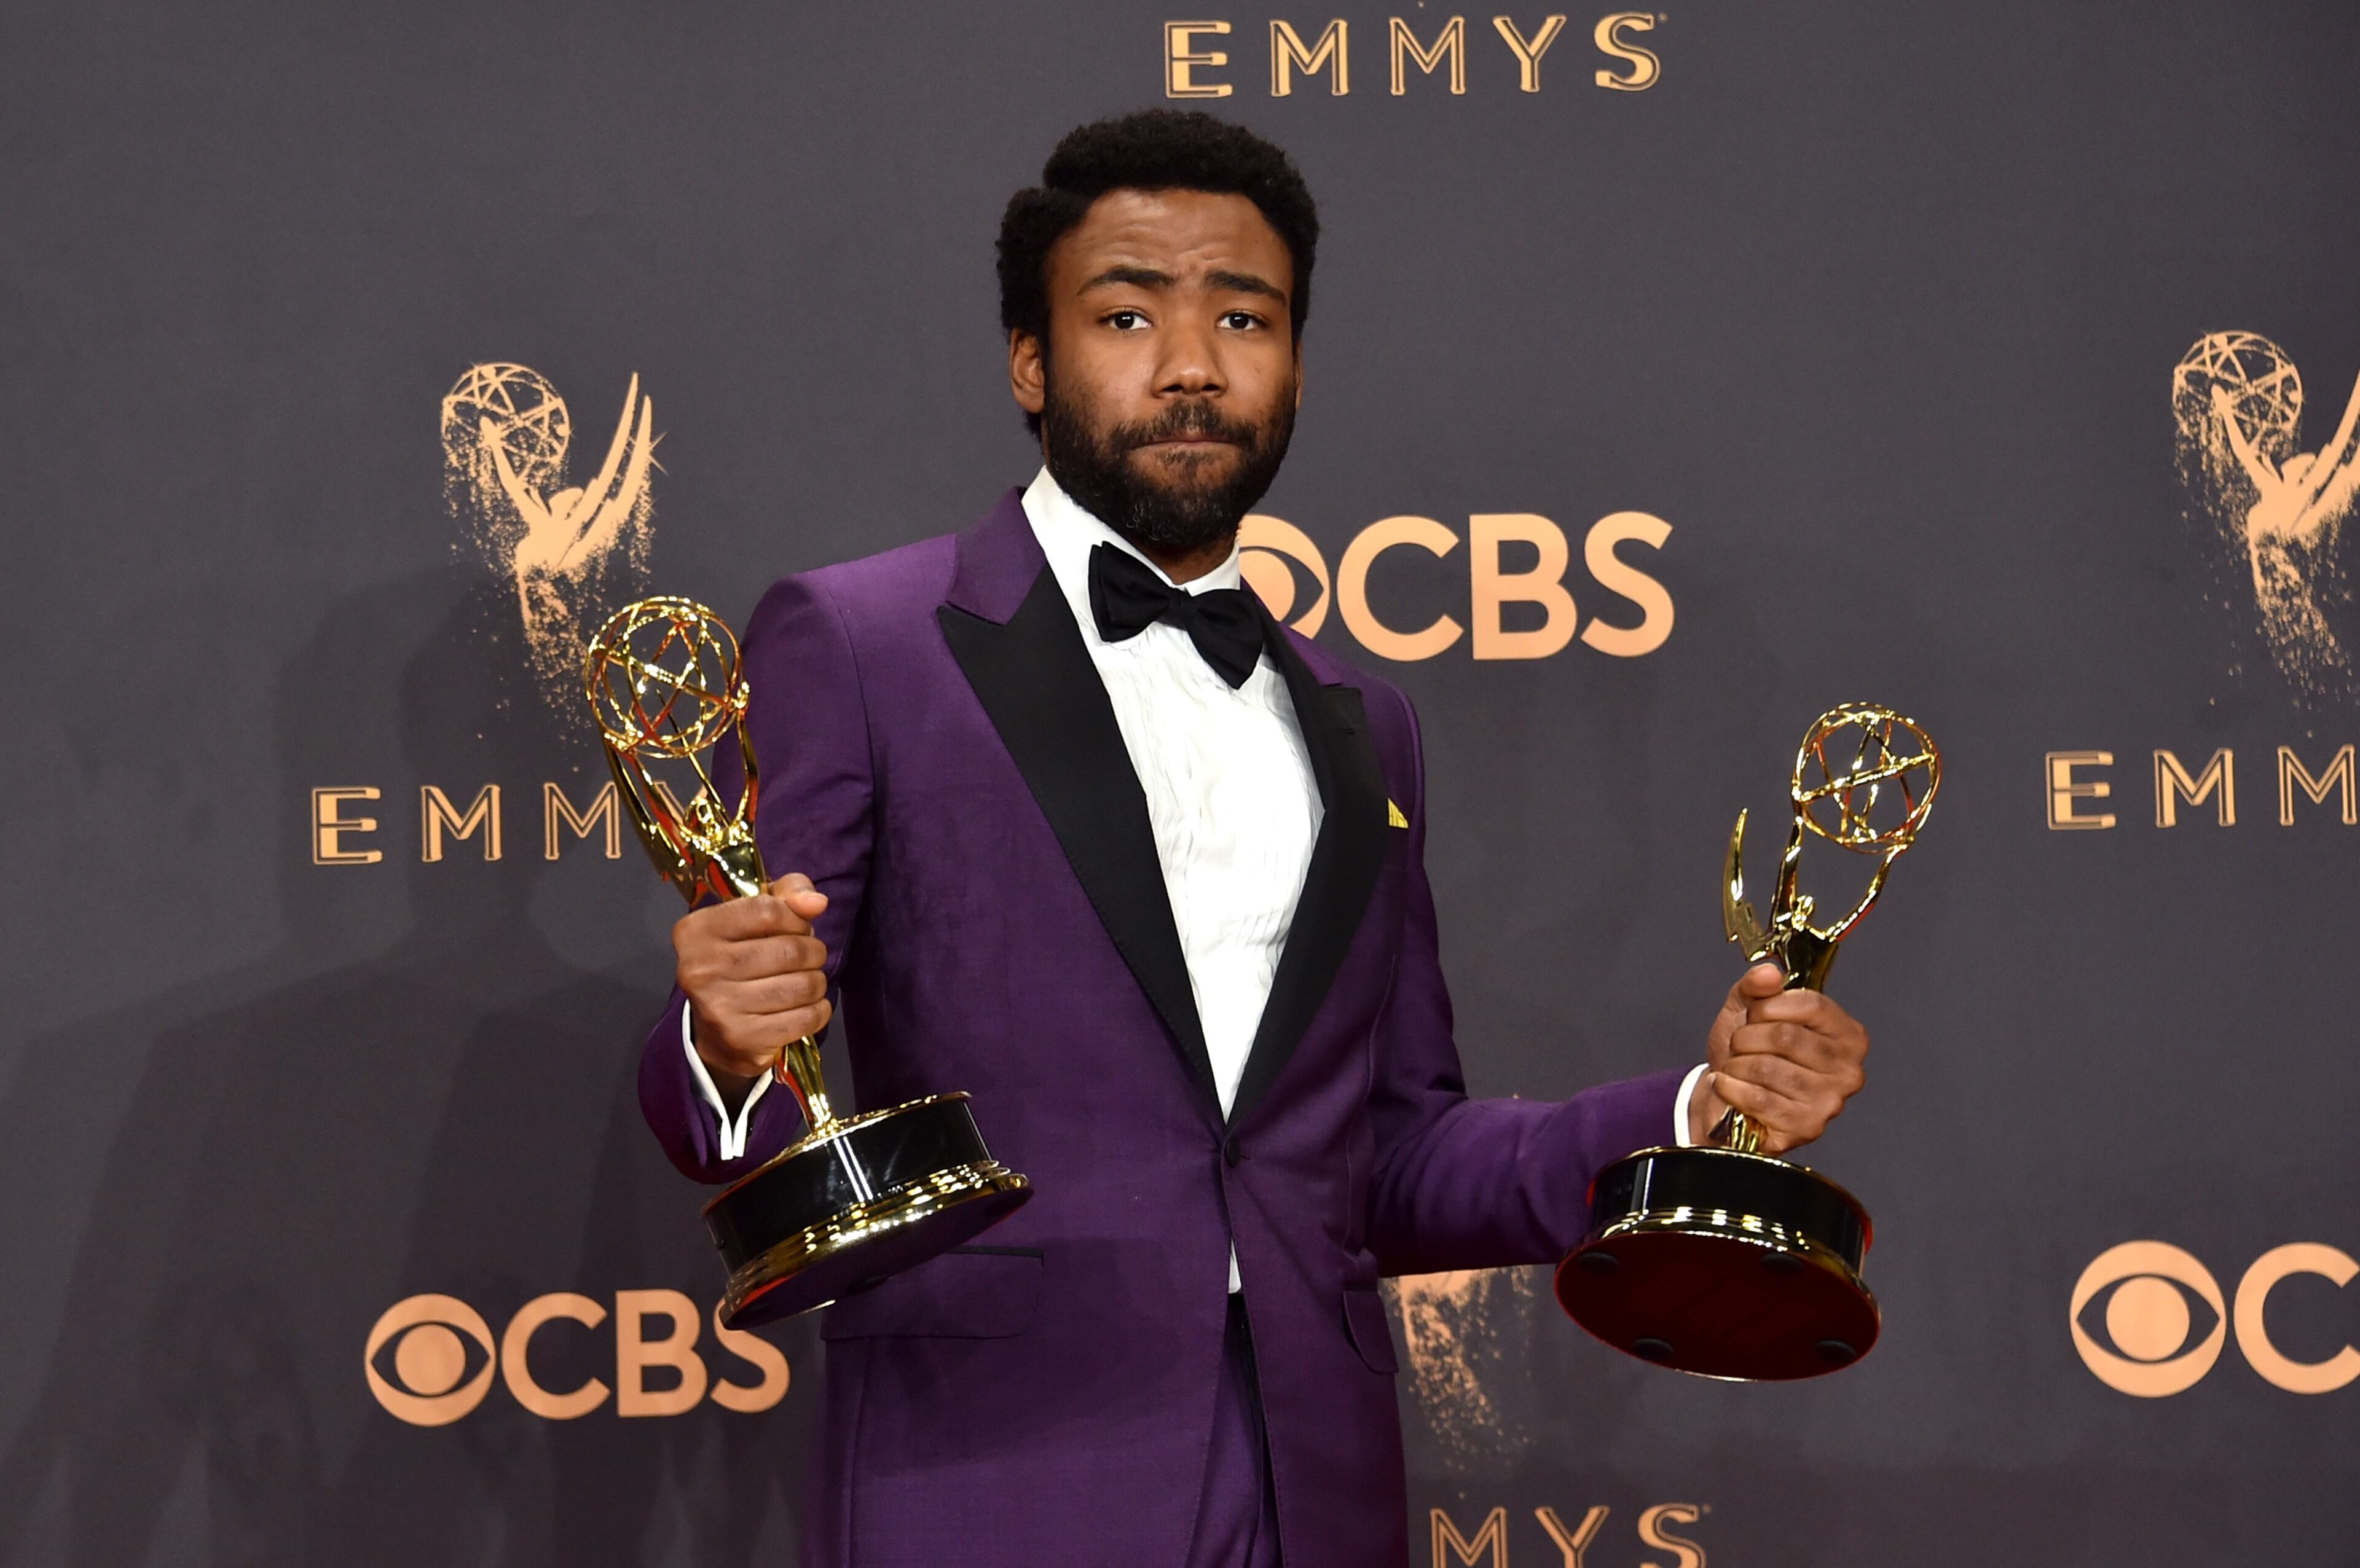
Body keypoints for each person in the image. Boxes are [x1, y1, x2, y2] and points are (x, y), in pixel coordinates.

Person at [638, 109, 1870, 1568]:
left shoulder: (1367, 722)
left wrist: (1698, 1109)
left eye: (1245, 316)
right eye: (1124, 313)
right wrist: (723, 1046)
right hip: (998, 1469)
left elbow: (1398, 1156)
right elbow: (757, 1079)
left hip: (1316, 1486)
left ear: (1294, 362)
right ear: (1031, 361)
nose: (1191, 363)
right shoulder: (863, 641)